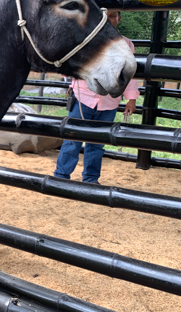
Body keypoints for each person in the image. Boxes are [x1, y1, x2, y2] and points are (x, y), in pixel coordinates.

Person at [53, 10, 139, 184]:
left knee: (97, 143)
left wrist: (132, 98)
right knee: (72, 139)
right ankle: (61, 176)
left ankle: (91, 179)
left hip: (109, 102)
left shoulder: (126, 44)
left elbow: (130, 73)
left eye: (113, 15)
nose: (109, 19)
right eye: (106, 15)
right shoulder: (84, 39)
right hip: (83, 97)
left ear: (119, 19)